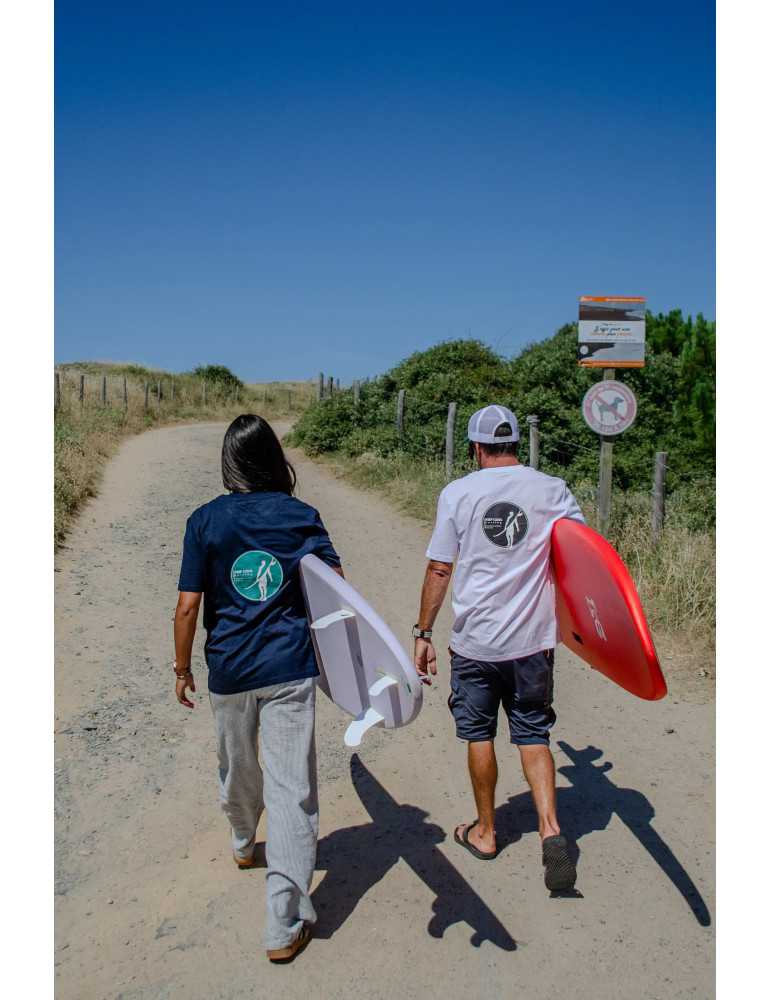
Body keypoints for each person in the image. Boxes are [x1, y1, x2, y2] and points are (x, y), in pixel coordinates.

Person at [173, 414, 342, 963]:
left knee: (238, 766)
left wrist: (182, 668)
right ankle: (283, 923)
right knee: (291, 791)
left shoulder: (205, 520)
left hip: (229, 671)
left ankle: (244, 842)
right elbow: (337, 593)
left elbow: (188, 605)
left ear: (229, 462)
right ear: (275, 459)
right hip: (289, 670)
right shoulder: (301, 517)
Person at [413, 404, 584, 891]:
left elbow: (440, 568)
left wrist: (423, 633)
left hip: (476, 643)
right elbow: (581, 552)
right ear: (516, 444)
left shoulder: (458, 494)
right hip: (533, 641)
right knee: (533, 734)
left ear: (475, 447)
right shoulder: (552, 489)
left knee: (479, 733)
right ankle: (551, 831)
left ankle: (486, 832)